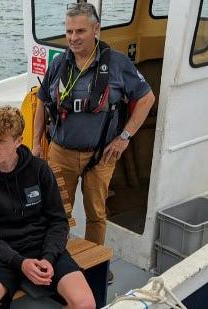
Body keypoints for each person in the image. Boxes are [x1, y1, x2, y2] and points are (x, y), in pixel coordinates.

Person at [33, 3, 155, 247]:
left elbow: (146, 98)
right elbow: (41, 101)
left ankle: (95, 264)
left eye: (80, 31)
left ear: (96, 29)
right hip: (61, 154)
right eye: (69, 32)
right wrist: (36, 143)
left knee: (97, 215)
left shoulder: (118, 64)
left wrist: (125, 137)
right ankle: (59, 256)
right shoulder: (58, 64)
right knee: (57, 212)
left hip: (100, 157)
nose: (73, 38)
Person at [0, 106, 95, 309]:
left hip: (43, 247)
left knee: (85, 303)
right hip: (4, 254)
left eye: (1, 140)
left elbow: (58, 221)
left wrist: (49, 257)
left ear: (18, 141)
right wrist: (20, 263)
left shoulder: (39, 170)